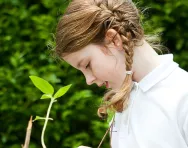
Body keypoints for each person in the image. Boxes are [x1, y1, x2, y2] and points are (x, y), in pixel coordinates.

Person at [55, 0, 188, 147]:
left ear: (114, 40)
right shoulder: (124, 102)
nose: (88, 80)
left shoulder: (183, 96)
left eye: (87, 65)